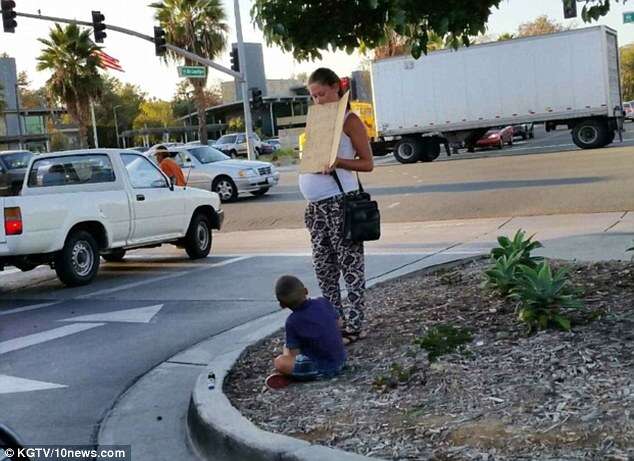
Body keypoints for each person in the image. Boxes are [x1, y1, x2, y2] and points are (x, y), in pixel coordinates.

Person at [298, 67, 374, 344]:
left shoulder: (349, 120)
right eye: (313, 97)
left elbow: (368, 164)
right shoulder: (320, 119)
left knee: (350, 265)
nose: (318, 101)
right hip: (316, 207)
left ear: (335, 88)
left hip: (340, 203)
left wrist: (338, 163)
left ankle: (354, 326)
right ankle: (334, 320)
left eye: (322, 94)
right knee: (324, 267)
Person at [266, 275, 346, 389]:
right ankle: (293, 373)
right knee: (292, 347)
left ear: (282, 305)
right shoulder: (323, 302)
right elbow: (339, 323)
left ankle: (288, 374)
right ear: (306, 291)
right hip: (341, 359)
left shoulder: (292, 321)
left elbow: (294, 353)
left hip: (321, 368)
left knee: (280, 361)